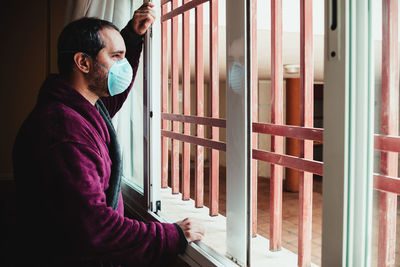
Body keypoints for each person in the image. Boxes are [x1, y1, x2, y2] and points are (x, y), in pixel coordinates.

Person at [12, 3, 204, 266]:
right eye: (116, 56)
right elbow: (95, 229)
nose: (123, 65)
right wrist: (171, 235)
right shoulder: (63, 131)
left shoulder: (77, 109)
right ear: (83, 62)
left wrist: (133, 37)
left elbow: (112, 100)